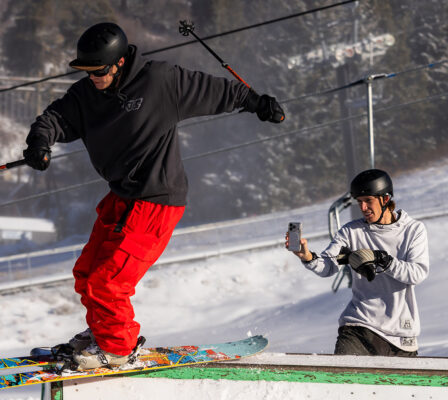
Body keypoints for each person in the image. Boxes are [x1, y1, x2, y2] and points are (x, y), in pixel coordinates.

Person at [25, 22, 285, 370]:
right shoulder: (87, 95)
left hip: (156, 200)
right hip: (122, 197)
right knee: (87, 272)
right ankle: (104, 332)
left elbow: (216, 90)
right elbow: (55, 118)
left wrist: (257, 103)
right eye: (86, 71)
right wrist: (39, 143)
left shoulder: (160, 82)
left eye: (98, 70)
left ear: (118, 63)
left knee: (109, 282)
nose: (92, 77)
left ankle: (117, 348)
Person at [287, 168, 429, 356]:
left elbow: (417, 274)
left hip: (401, 336)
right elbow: (328, 266)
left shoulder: (413, 230)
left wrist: (382, 260)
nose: (362, 208)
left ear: (385, 199)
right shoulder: (351, 231)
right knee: (344, 382)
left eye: (368, 201)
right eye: (359, 202)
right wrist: (307, 256)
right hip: (359, 328)